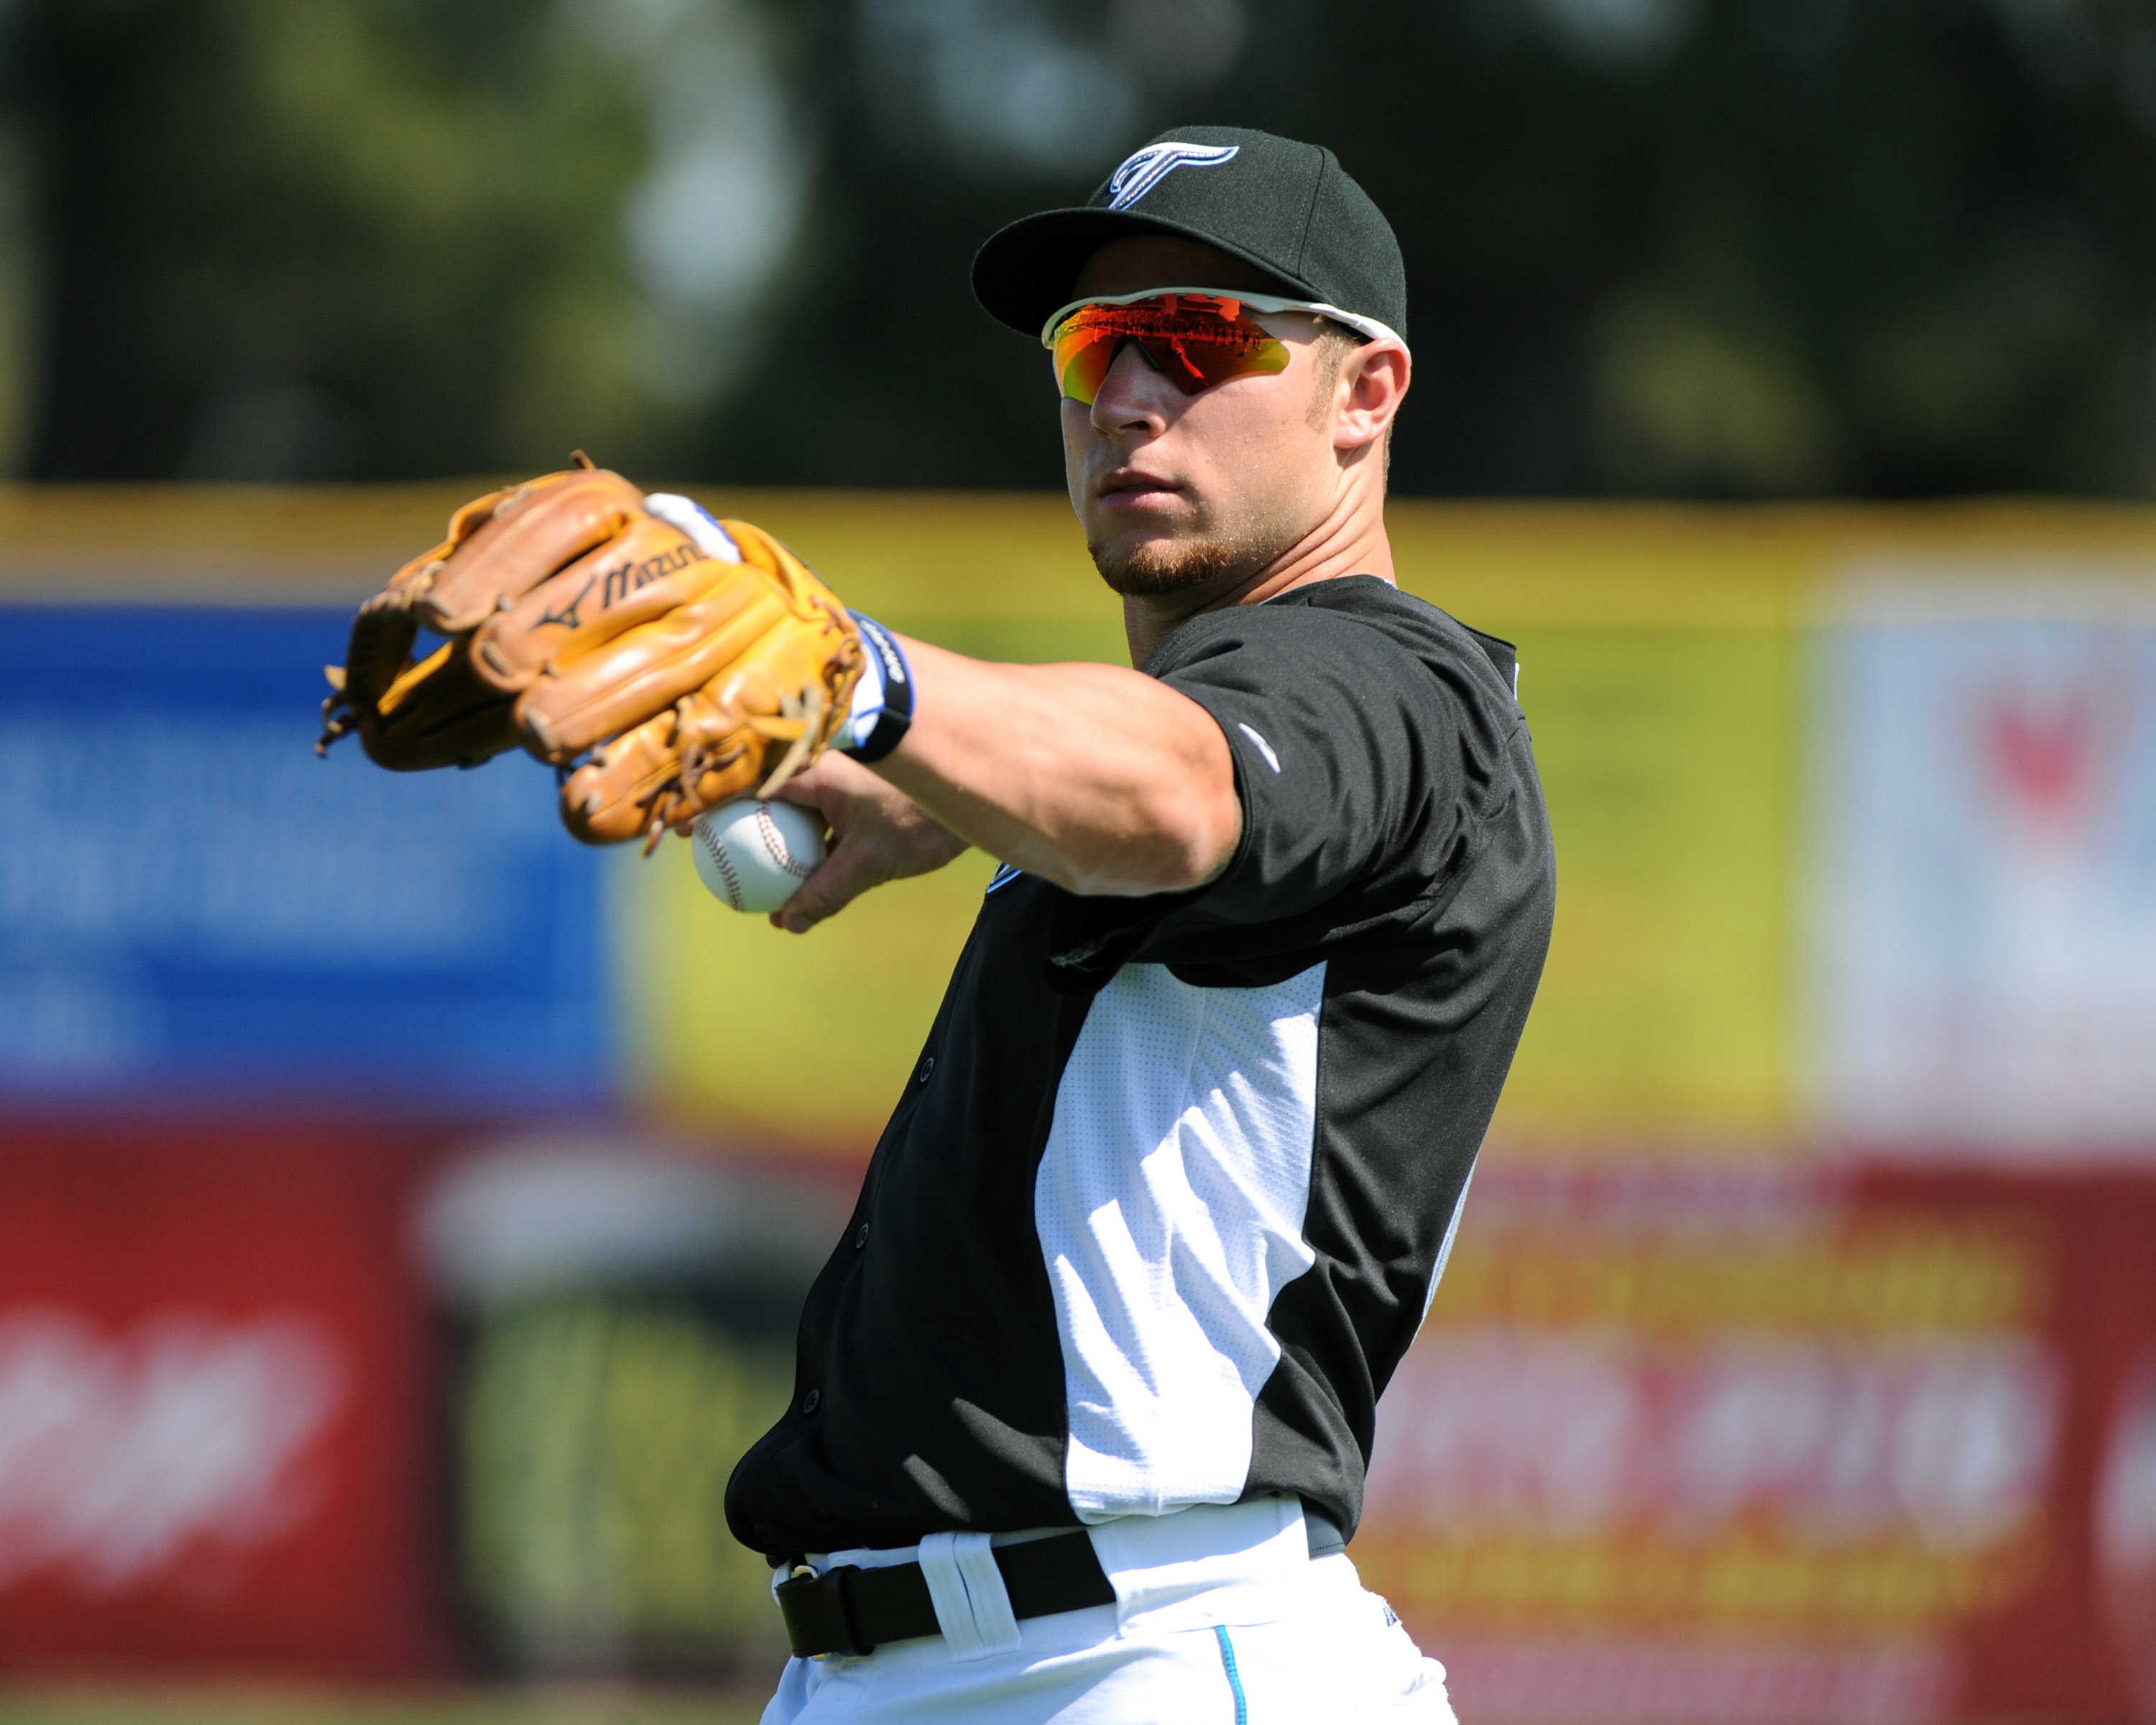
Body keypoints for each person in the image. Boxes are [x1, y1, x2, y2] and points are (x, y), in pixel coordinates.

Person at [725, 125, 1557, 1724]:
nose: (1127, 395)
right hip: (899, 1668)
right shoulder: (1213, 708)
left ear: (1365, 393)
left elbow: (1180, 792)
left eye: (1200, 337)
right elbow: (1143, 765)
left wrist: (857, 676)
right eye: (1094, 345)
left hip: (1146, 1656)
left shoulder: (1393, 682)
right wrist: (944, 789)